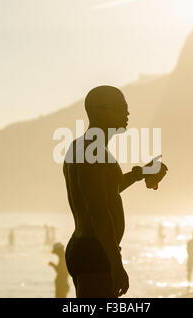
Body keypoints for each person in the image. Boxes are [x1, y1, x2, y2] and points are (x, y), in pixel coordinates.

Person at [63, 85, 168, 298]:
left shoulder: (87, 148)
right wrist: (116, 264)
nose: (127, 113)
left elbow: (107, 190)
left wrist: (141, 173)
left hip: (89, 248)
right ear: (100, 111)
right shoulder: (92, 151)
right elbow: (99, 213)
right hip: (94, 252)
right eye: (120, 107)